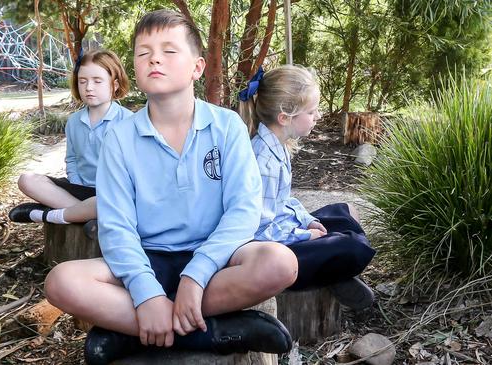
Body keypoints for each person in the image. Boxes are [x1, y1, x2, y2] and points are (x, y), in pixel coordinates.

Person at [44, 10, 299, 365]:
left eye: (168, 50)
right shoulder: (120, 137)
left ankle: (132, 334)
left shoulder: (226, 126)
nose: (154, 59)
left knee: (279, 263)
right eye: (143, 53)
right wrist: (146, 293)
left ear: (197, 67)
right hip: (147, 257)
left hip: (215, 262)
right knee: (61, 281)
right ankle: (211, 333)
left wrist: (196, 275)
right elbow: (117, 226)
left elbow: (243, 210)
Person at [239, 64, 376, 310]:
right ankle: (329, 275)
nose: (319, 116)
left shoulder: (277, 146)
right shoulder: (263, 163)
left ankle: (331, 274)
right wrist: (304, 235)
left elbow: (282, 203)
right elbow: (258, 230)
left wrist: (306, 220)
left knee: (346, 212)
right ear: (285, 117)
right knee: (353, 247)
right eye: (312, 112)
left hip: (281, 231)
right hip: (270, 251)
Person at [8, 49, 132, 226]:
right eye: (83, 81)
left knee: (113, 202)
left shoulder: (127, 122)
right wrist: (76, 184)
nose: (89, 87)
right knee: (26, 180)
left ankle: (54, 214)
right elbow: (72, 160)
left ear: (115, 85)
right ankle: (83, 214)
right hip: (79, 190)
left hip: (111, 193)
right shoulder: (74, 121)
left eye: (97, 81)